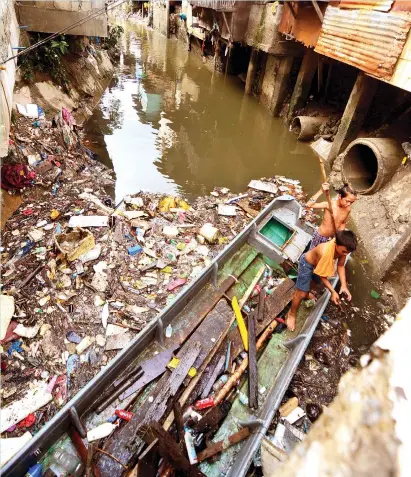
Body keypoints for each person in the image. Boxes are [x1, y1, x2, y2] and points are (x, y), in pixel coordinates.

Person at [286, 230, 357, 332]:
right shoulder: (325, 252)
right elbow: (322, 276)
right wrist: (333, 291)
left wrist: (344, 285)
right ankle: (291, 314)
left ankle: (307, 293)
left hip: (318, 264)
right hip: (307, 264)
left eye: (347, 253)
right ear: (336, 243)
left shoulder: (342, 247)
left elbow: (340, 265)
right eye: (344, 252)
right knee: (300, 293)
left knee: (313, 284)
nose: (345, 254)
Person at [306, 182, 357, 249]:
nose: (348, 204)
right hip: (321, 236)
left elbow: (343, 223)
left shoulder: (347, 209)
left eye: (351, 202)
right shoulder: (329, 205)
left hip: (333, 238)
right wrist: (321, 191)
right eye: (347, 201)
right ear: (339, 196)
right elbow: (308, 205)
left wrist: (340, 237)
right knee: (313, 255)